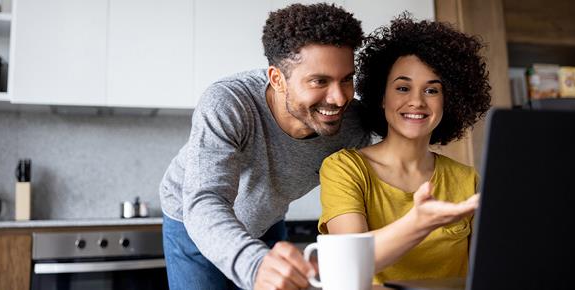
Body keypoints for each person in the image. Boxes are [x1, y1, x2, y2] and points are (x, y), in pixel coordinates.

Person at [158, 3, 368, 290]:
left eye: (346, 80)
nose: (339, 98)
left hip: (267, 220)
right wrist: (254, 264)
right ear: (277, 79)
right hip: (194, 223)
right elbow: (205, 199)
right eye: (319, 81)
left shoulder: (354, 124)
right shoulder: (229, 103)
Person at [318, 15, 492, 284]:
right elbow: (347, 264)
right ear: (381, 97)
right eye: (402, 87)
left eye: (432, 91)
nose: (416, 101)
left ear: (450, 101)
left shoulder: (467, 180)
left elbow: (482, 275)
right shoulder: (344, 169)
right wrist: (420, 222)